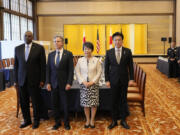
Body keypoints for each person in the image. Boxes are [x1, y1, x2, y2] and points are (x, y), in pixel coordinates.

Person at [14, 31, 46, 129]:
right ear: (23, 37)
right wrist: (16, 80)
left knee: (36, 102)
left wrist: (42, 80)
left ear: (32, 37)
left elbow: (43, 66)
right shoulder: (18, 49)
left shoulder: (39, 48)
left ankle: (36, 120)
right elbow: (16, 66)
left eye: (29, 36)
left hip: (35, 81)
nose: (27, 37)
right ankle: (27, 120)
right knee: (24, 102)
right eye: (25, 36)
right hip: (22, 81)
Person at [105, 32, 134, 129]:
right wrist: (107, 80)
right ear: (113, 41)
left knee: (123, 100)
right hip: (113, 80)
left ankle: (123, 120)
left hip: (124, 80)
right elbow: (106, 67)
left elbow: (131, 66)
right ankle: (114, 121)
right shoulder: (109, 52)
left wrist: (132, 78)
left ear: (122, 41)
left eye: (119, 40)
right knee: (113, 100)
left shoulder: (128, 51)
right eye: (115, 40)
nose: (117, 42)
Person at [46, 36, 74, 130]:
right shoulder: (51, 55)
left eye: (58, 41)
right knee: (55, 104)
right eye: (54, 41)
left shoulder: (68, 54)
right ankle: (57, 122)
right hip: (53, 84)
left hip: (64, 84)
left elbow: (71, 70)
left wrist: (69, 82)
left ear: (62, 43)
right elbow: (48, 70)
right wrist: (48, 83)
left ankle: (66, 123)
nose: (56, 43)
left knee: (65, 104)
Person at [75, 42, 102, 128]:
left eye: (89, 49)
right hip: (84, 85)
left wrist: (92, 82)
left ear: (92, 50)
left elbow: (99, 72)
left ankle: (92, 120)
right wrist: (83, 82)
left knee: (93, 104)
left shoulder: (96, 60)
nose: (87, 50)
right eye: (85, 49)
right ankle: (87, 120)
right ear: (83, 50)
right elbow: (77, 72)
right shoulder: (80, 60)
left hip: (93, 85)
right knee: (86, 104)